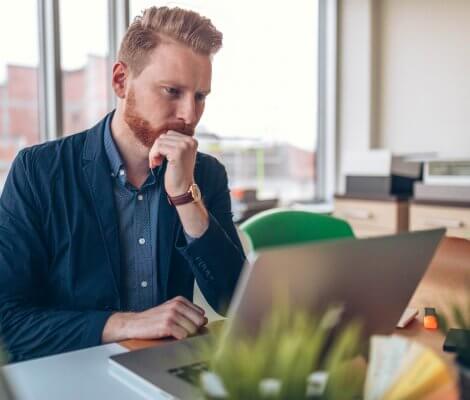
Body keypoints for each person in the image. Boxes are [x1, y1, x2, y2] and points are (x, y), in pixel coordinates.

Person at [0, 6, 245, 362]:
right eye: (172, 90)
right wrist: (126, 324)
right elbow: (6, 320)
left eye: (200, 96)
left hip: (164, 370)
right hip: (71, 370)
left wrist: (184, 196)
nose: (190, 115)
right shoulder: (38, 171)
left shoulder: (204, 174)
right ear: (120, 81)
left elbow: (235, 300)